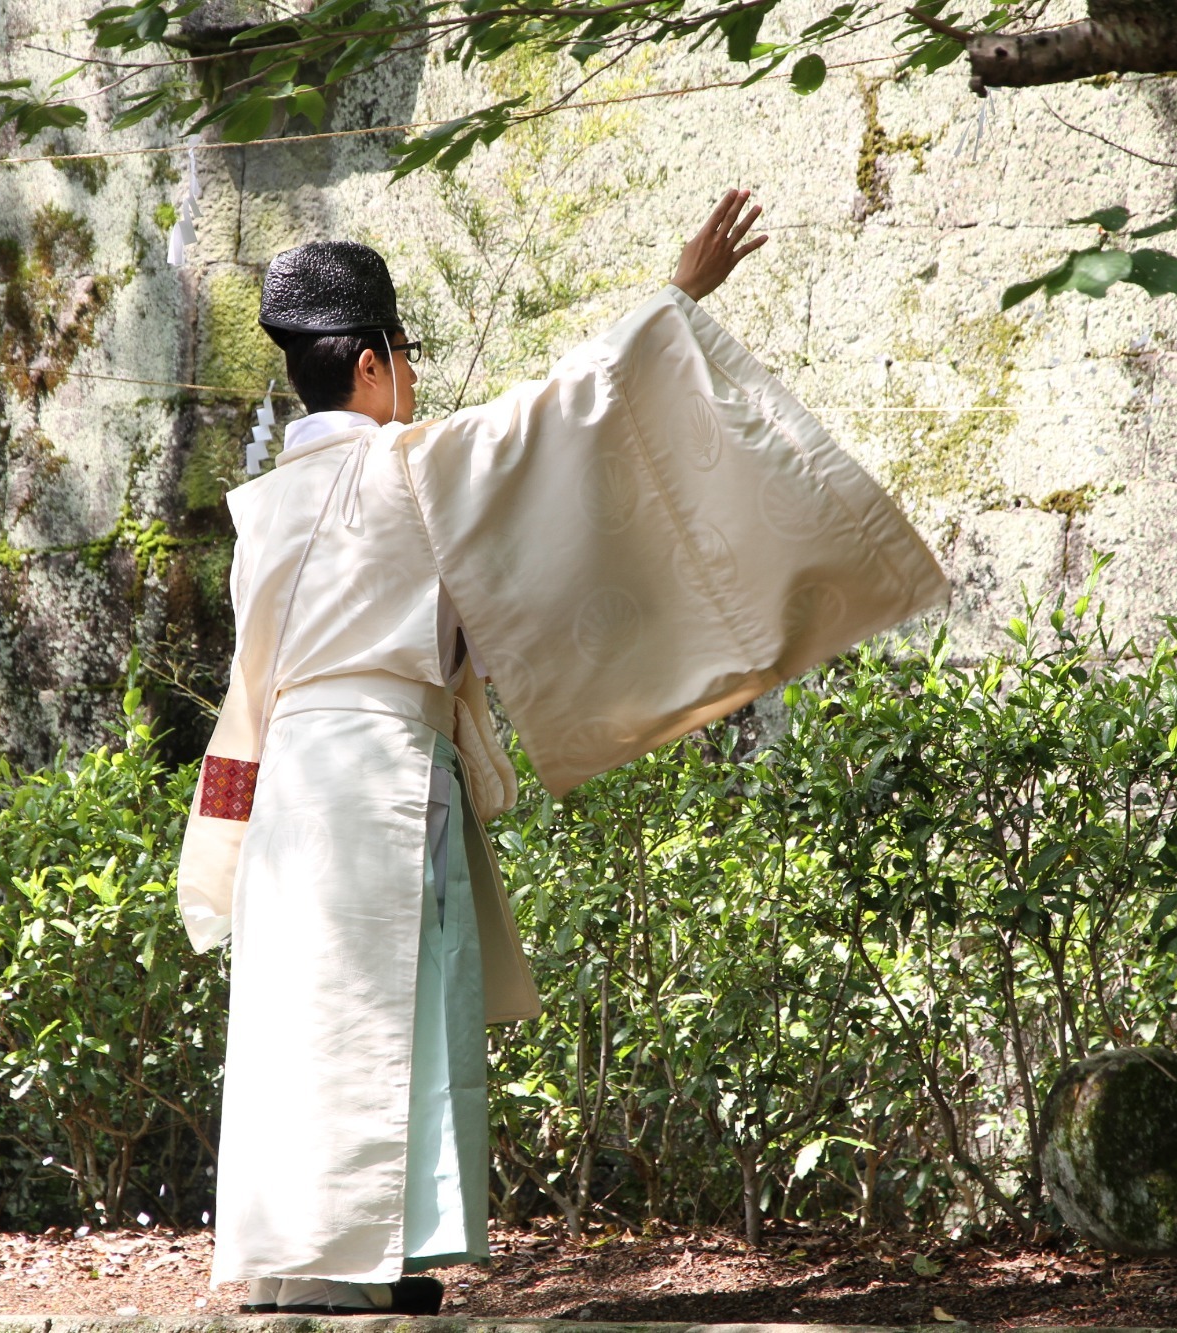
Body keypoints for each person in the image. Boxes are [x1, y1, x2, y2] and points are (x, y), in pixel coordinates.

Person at [176, 190, 948, 1313]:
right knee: (385, 1010)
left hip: (296, 786)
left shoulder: (262, 509)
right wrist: (675, 295)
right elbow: (569, 411)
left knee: (303, 1012)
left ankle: (296, 1259)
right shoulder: (414, 467)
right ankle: (373, 1262)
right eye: (405, 356)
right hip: (389, 770)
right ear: (375, 364)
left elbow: (252, 687)